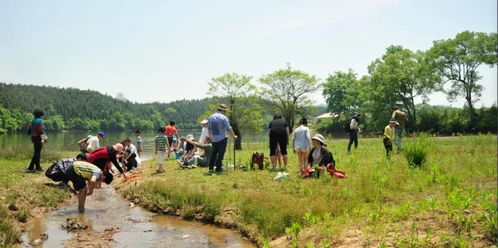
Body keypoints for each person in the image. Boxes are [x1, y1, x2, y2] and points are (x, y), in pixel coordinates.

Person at [46, 154, 113, 213]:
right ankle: (81, 209)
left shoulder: (97, 170)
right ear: (104, 176)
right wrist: (91, 191)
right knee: (83, 189)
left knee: (83, 189)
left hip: (74, 169)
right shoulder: (97, 172)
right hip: (74, 170)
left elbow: (90, 181)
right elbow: (92, 181)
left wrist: (90, 190)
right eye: (102, 180)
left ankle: (81, 208)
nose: (100, 181)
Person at [207, 104, 237, 174]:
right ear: (223, 111)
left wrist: (210, 137)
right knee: (221, 154)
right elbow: (228, 128)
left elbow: (209, 129)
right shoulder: (224, 118)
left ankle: (211, 168)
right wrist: (234, 136)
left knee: (213, 153)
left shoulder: (210, 117)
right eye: (225, 111)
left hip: (214, 139)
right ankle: (218, 168)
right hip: (222, 138)